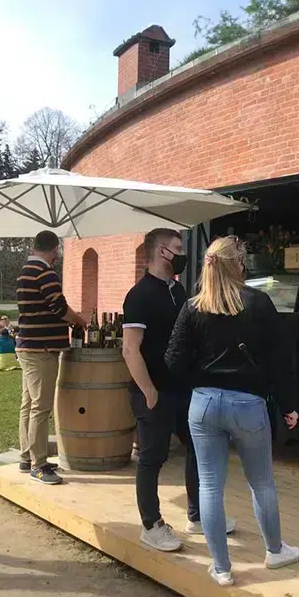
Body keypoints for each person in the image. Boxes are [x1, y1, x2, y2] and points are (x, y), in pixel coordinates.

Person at [165, 236, 299, 586]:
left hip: (203, 403)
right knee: (262, 483)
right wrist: (288, 404)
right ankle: (275, 551)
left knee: (210, 486)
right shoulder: (258, 303)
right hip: (248, 403)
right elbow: (280, 360)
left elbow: (173, 360)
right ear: (238, 265)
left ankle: (222, 567)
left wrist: (197, 383)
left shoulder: (192, 307)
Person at [122, 228, 227, 554]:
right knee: (153, 458)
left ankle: (198, 515)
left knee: (198, 449)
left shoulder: (177, 290)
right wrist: (149, 392)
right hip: (154, 392)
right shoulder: (139, 295)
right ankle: (151, 526)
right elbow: (130, 349)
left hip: (183, 389)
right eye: (178, 248)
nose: (183, 254)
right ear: (162, 252)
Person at [16, 230, 85, 483]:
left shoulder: (25, 271)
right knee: (41, 407)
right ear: (55, 249)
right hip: (42, 349)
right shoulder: (46, 273)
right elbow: (59, 307)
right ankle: (39, 465)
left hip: (27, 346)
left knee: (29, 404)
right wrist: (79, 320)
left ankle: (27, 456)